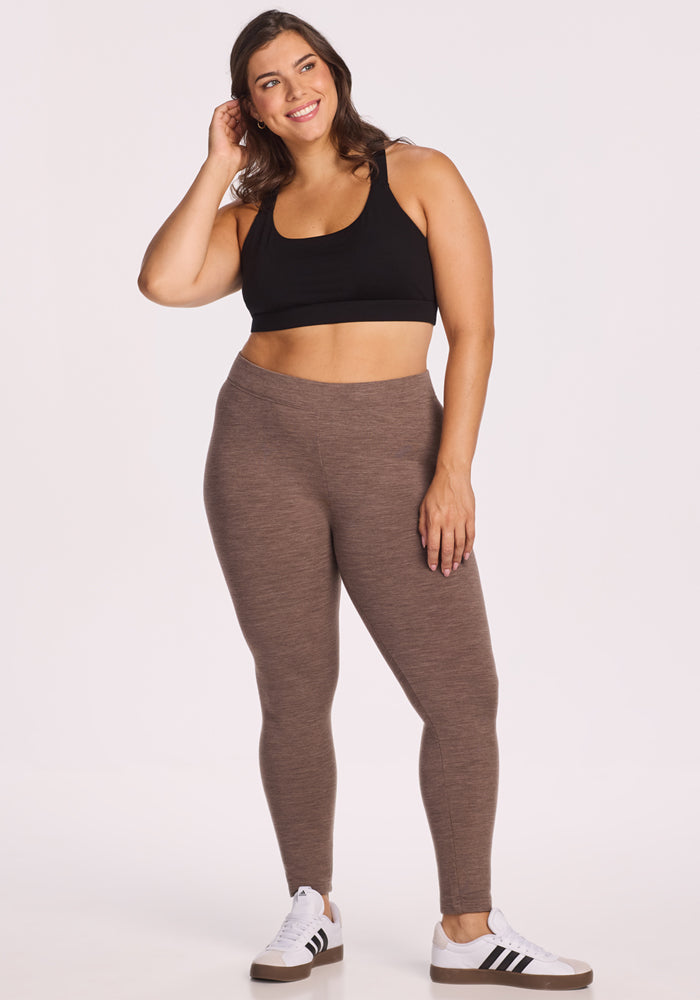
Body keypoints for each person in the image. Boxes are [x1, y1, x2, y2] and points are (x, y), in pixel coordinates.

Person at [137, 8, 593, 990]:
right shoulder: (250, 216)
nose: (293, 86)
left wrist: (452, 468)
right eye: (267, 80)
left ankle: (466, 926)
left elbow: (472, 331)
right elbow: (163, 281)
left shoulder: (418, 173)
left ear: (333, 73)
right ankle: (311, 904)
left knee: (461, 693)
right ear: (248, 105)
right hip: (260, 444)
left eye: (305, 65)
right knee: (292, 682)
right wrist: (218, 165)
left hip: (395, 449)